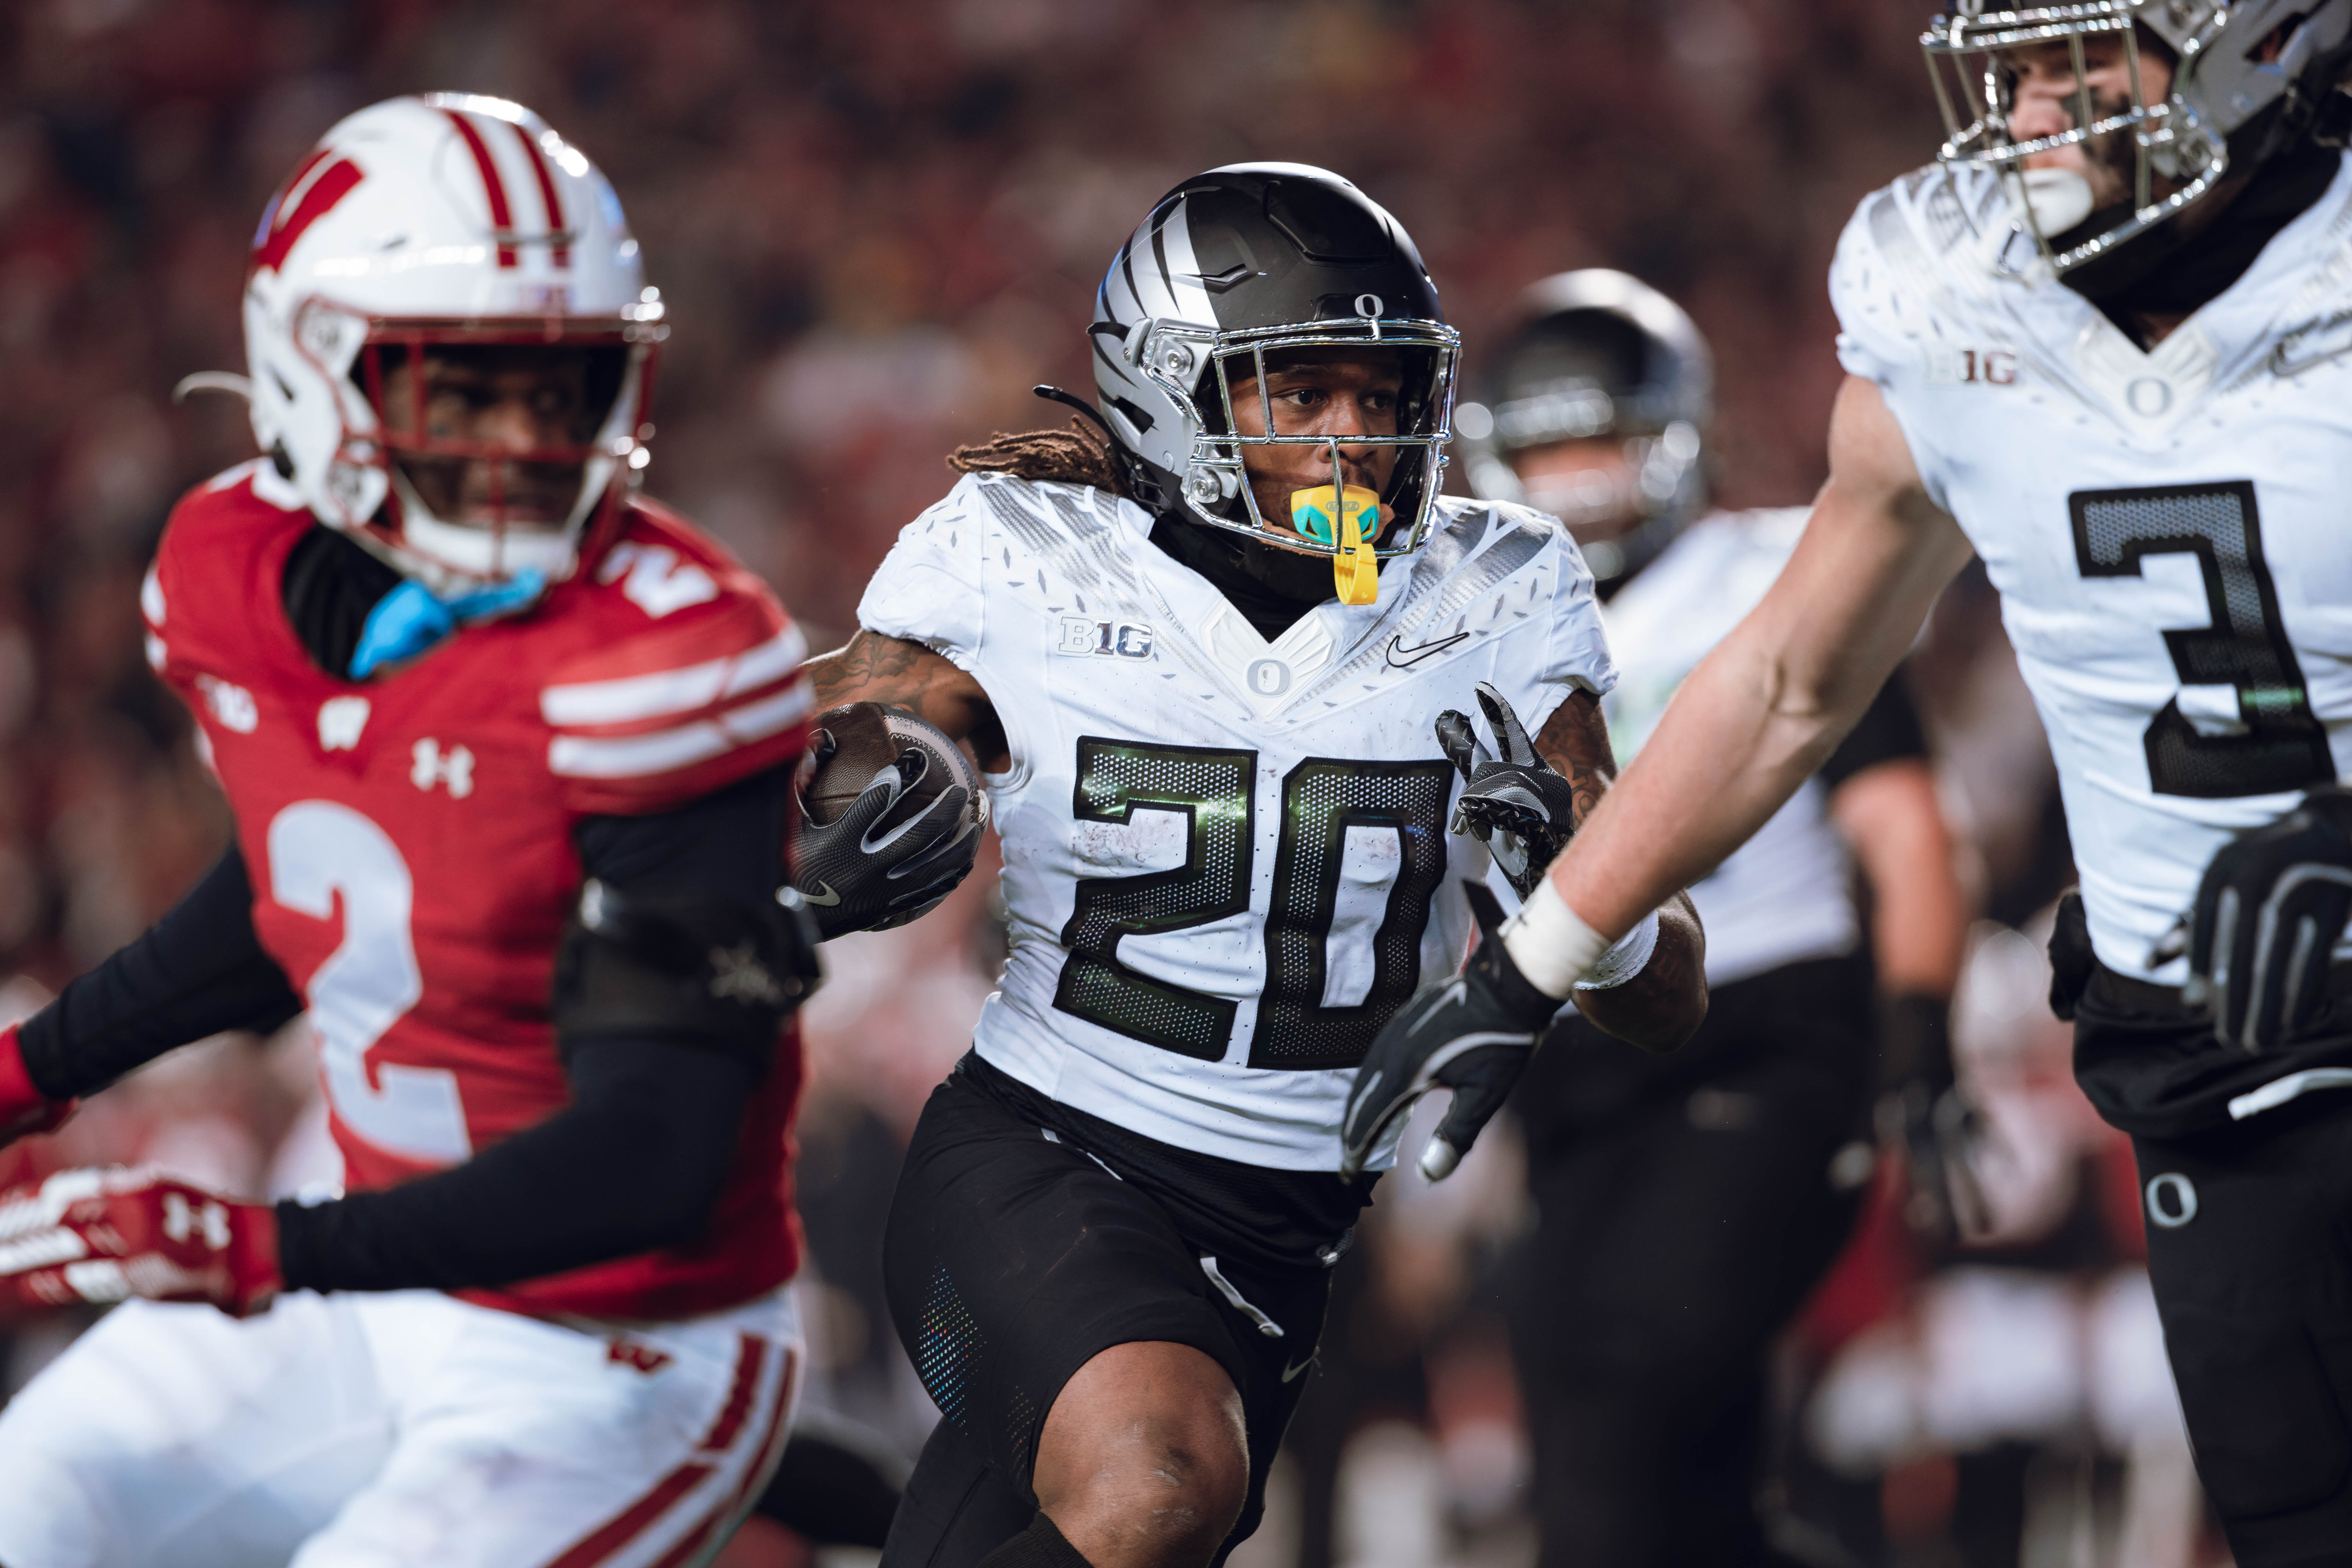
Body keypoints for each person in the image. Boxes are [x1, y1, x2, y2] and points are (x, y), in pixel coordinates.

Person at [1347, 5, 2352, 1565]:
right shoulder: (1954, 305)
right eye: (2007, 68)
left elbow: (1875, 790)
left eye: (2068, 69)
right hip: (2200, 1049)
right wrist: (1540, 950)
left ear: (2255, 44)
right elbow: (1782, 681)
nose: (2016, 116)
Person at [793, 162, 1707, 1568]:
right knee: (1157, 1486)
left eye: (1381, 392)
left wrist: (1586, 899)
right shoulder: (1022, 558)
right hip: (1040, 1152)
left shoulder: (1497, 584)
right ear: (1173, 393)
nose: (1353, 437)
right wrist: (854, 785)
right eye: (1301, 390)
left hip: (1287, 1226)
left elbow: (1666, 998)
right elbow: (813, 751)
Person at [0, 94, 820, 1568]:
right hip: (358, 1252)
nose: (527, 441)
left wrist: (262, 1249)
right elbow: (303, 886)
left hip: (616, 1343)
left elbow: (655, 1145)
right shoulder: (229, 565)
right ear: (312, 369)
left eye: (564, 390)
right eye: (468, 388)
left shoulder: (672, 659)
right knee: (27, 1505)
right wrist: (33, 1068)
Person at [1458, 271, 1971, 1567]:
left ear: (1673, 437)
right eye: (1547, 445)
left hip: (1762, 1024)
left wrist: (1917, 1022)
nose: (1574, 478)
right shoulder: (1466, 613)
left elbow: (1901, 820)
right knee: (1631, 1469)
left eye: (1600, 440)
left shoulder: (1770, 572)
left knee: (1629, 1400)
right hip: (1572, 1070)